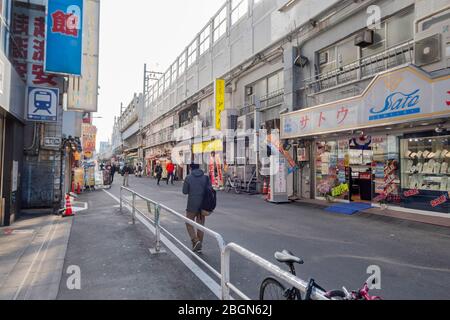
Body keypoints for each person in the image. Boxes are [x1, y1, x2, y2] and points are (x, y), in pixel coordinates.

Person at [182, 163, 211, 253]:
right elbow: (210, 190)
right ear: (199, 167)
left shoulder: (188, 177)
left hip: (192, 205)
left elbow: (185, 191)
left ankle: (195, 240)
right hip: (203, 205)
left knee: (188, 222)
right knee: (200, 225)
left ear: (190, 168)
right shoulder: (206, 177)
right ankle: (199, 245)